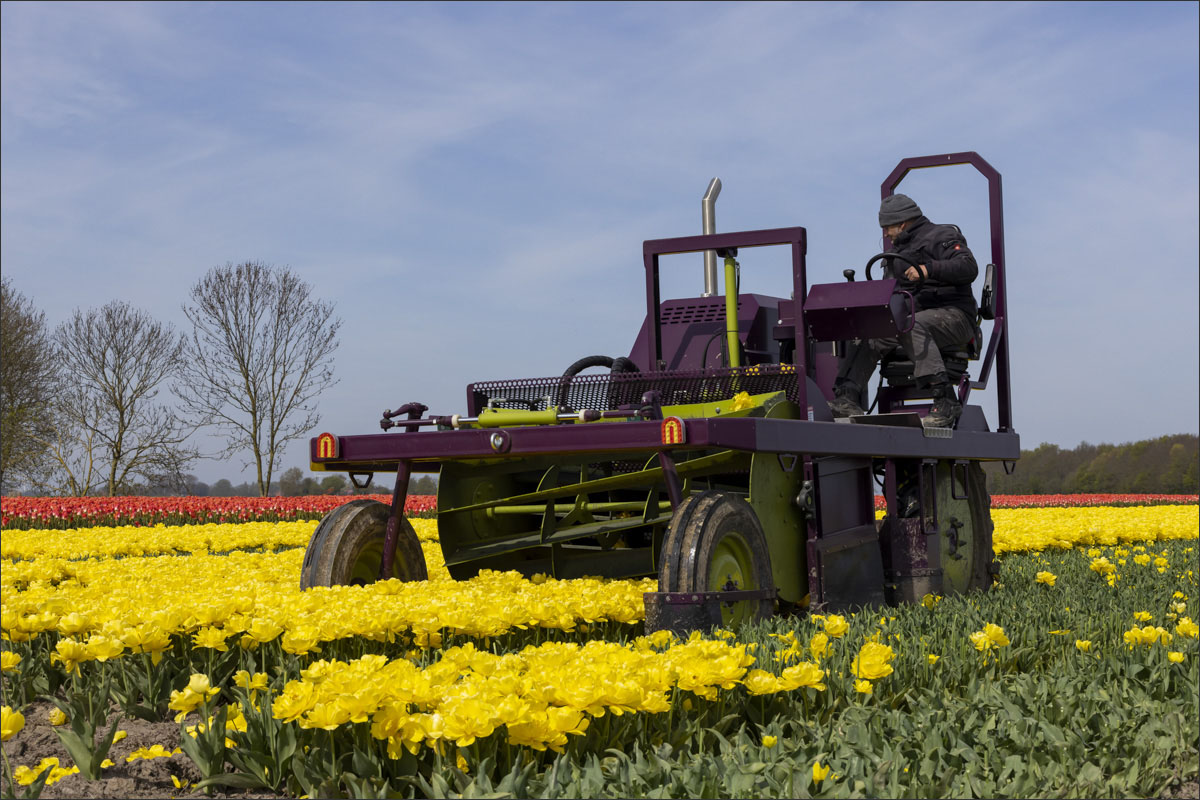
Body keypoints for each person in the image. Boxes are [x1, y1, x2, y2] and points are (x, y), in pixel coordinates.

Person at [828, 193, 978, 428]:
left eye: (887, 228)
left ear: (902, 222)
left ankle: (945, 400)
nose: (885, 234)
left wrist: (928, 269)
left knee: (910, 324)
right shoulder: (896, 253)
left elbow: (968, 266)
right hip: (912, 318)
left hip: (954, 315)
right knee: (873, 331)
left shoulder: (942, 236)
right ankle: (846, 398)